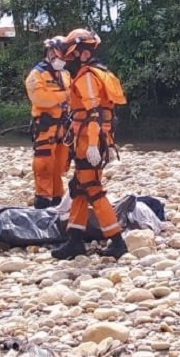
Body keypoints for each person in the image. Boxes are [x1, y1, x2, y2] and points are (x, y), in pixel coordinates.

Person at [51, 28, 129, 260]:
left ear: (81, 52)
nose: (67, 58)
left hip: (89, 140)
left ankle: (116, 240)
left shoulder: (87, 76)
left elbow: (93, 113)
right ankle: (74, 239)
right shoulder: (99, 72)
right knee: (79, 188)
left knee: (92, 189)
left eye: (71, 53)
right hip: (90, 139)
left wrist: (94, 144)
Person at [24, 36, 71, 209]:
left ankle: (57, 201)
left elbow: (73, 96)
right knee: (44, 165)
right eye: (61, 54)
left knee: (60, 167)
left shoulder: (65, 74)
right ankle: (43, 202)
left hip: (63, 127)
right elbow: (40, 98)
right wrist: (63, 96)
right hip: (46, 127)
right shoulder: (36, 74)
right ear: (51, 52)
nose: (63, 59)